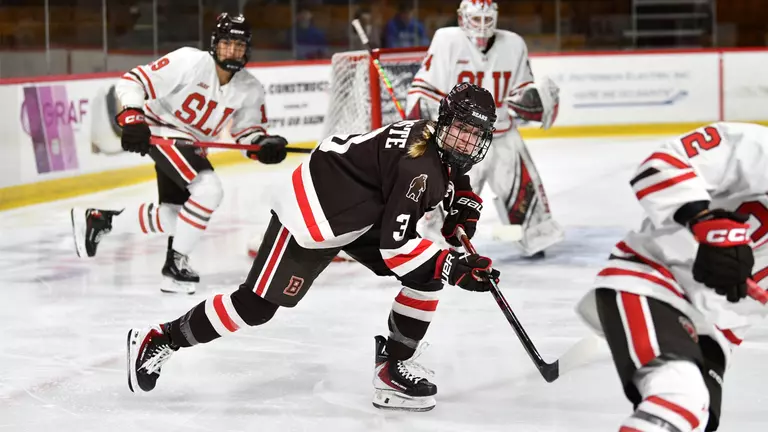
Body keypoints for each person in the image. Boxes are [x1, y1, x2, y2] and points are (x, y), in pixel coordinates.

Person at [126, 83, 501, 412]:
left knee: (425, 278)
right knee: (255, 307)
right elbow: (396, 249)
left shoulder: (432, 138)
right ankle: (162, 337)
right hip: (314, 214)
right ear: (445, 121)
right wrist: (455, 267)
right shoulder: (417, 169)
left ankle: (392, 367)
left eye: (474, 134)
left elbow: (451, 172)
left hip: (359, 210)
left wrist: (464, 201)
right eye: (460, 130)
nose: (465, 141)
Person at [70, 13, 289, 294]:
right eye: (226, 44)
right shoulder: (190, 62)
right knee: (208, 190)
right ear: (215, 44)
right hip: (162, 133)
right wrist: (132, 117)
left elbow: (248, 134)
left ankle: (101, 220)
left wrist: (264, 146)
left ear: (247, 49)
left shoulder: (250, 88)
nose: (233, 51)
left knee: (175, 214)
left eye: (239, 45)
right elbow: (132, 80)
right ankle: (176, 263)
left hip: (190, 147)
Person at [575, 122, 768, 431]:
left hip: (717, 333)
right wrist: (702, 221)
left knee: (693, 420)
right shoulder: (759, 146)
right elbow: (664, 161)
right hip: (654, 281)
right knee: (679, 402)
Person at [406, 0, 563, 258]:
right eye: (475, 19)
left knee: (525, 189)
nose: (481, 26)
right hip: (461, 138)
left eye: (486, 19)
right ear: (461, 18)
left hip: (502, 135)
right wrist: (424, 113)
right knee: (448, 197)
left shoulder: (513, 44)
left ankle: (536, 237)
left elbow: (520, 92)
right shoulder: (446, 41)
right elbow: (424, 88)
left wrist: (533, 101)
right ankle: (437, 245)